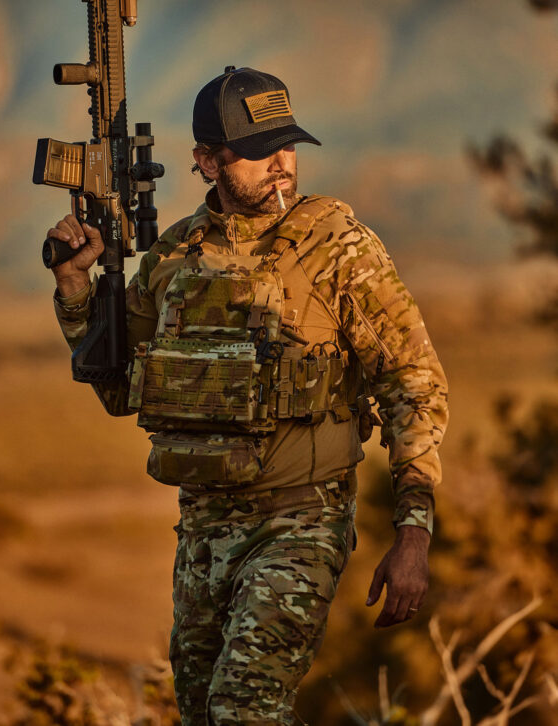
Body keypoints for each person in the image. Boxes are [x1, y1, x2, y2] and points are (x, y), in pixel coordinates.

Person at [48, 66, 448, 726]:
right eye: (258, 153)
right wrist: (73, 289)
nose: (280, 166)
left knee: (244, 710)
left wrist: (414, 528)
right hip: (204, 526)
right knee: (202, 711)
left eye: (287, 146)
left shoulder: (338, 249)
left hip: (301, 520)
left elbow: (414, 383)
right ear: (206, 161)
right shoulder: (174, 259)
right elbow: (120, 391)